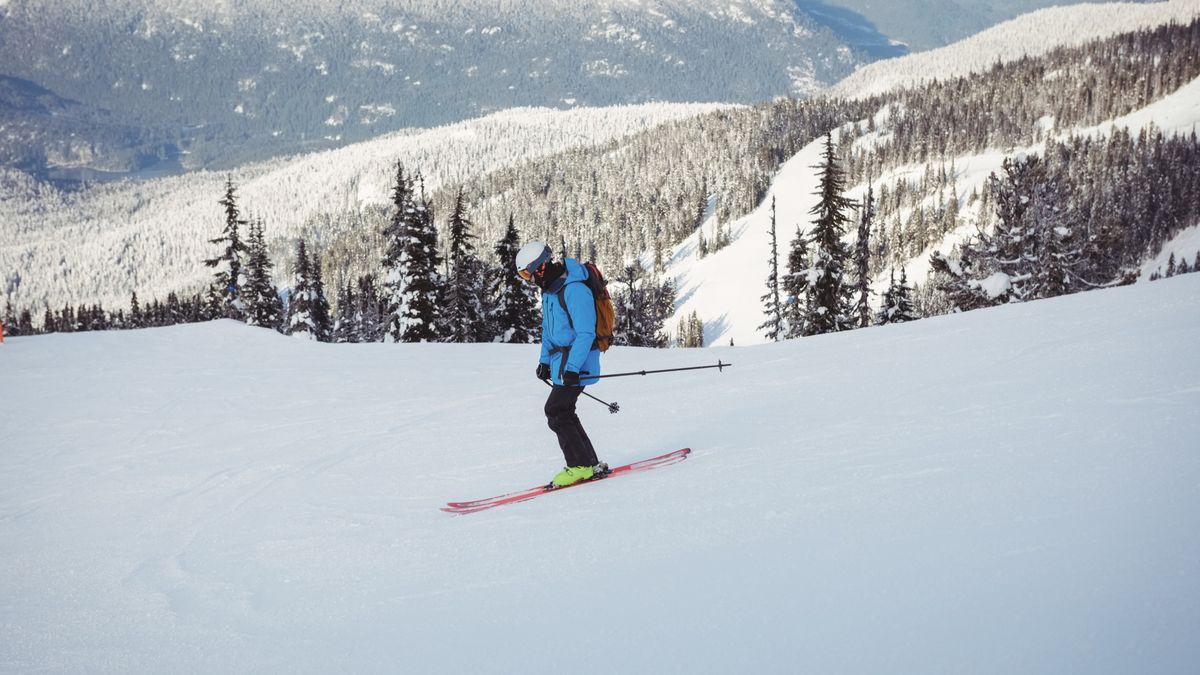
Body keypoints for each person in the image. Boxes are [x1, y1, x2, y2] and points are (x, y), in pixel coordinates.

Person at [514, 241, 609, 488]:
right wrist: (544, 361)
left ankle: (579, 467)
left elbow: (586, 333)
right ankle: (589, 463)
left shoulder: (574, 289)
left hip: (578, 363)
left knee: (555, 411)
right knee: (564, 411)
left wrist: (573, 368)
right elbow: (548, 331)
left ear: (541, 267)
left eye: (528, 273)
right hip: (562, 364)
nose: (528, 279)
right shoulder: (550, 291)